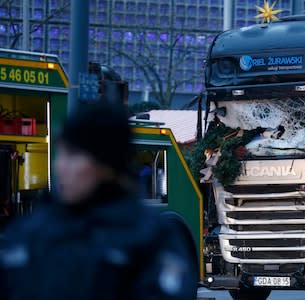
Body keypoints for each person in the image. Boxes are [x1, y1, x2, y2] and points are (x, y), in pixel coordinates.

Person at [0, 102, 198, 300]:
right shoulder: (29, 233)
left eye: (73, 155)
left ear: (107, 164)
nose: (61, 166)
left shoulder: (150, 238)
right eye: (61, 154)